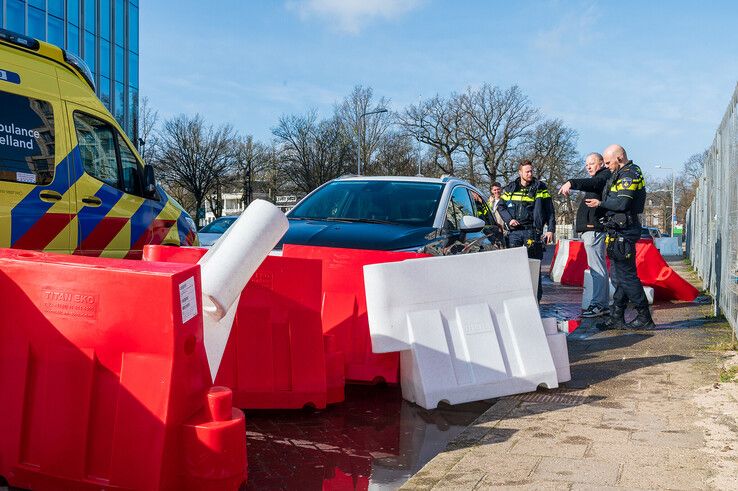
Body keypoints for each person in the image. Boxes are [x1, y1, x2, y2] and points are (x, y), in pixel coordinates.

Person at [584, 144, 654, 329]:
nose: (606, 166)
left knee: (627, 276)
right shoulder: (621, 173)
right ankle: (616, 316)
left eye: (608, 162)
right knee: (621, 275)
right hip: (618, 230)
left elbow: (622, 202)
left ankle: (644, 316)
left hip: (625, 230)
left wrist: (601, 203)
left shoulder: (629, 173)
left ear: (620, 158)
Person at [558, 153, 612, 318]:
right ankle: (600, 304)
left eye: (592, 163)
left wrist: (571, 182)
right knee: (596, 268)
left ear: (601, 163)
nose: (588, 166)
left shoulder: (602, 177)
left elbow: (594, 183)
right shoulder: (599, 178)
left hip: (594, 230)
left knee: (597, 269)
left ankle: (599, 305)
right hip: (590, 229)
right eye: (586, 164)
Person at [498, 160, 555, 301]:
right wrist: (509, 220)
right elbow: (501, 206)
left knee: (534, 267)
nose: (530, 174)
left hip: (533, 232)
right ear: (520, 172)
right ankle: (515, 299)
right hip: (514, 233)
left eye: (531, 171)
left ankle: (536, 300)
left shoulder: (540, 188)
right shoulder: (510, 188)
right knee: (514, 267)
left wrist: (550, 229)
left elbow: (550, 211)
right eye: (527, 171)